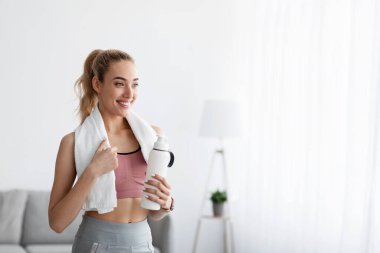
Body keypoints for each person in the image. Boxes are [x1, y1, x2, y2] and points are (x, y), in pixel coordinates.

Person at [48, 49, 174, 253]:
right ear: (97, 84)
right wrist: (92, 172)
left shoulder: (153, 137)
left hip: (143, 244)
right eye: (119, 84)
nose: (129, 94)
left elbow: (155, 213)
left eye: (134, 84)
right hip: (97, 245)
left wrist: (166, 204)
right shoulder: (73, 143)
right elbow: (57, 223)